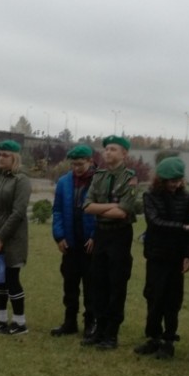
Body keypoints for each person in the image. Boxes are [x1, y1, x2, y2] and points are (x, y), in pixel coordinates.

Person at [135, 157, 189, 359]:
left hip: (176, 257)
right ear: (161, 179)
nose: (175, 184)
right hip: (156, 255)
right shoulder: (150, 196)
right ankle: (153, 337)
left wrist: (188, 255)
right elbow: (154, 222)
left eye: (178, 180)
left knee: (172, 300)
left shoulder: (187, 198)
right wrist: (182, 227)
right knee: (154, 297)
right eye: (171, 181)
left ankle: (169, 340)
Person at [82, 135, 138, 350]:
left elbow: (123, 211)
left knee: (116, 284)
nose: (108, 152)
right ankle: (99, 329)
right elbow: (87, 206)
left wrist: (100, 208)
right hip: (101, 233)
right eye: (106, 149)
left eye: (113, 149)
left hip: (120, 235)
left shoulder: (130, 178)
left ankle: (111, 334)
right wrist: (110, 207)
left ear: (124, 154)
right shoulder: (99, 176)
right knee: (98, 282)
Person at [0, 140, 32, 335]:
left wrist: (1, 237)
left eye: (5, 155)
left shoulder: (21, 180)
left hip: (12, 240)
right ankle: (0, 319)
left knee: (11, 279)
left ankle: (19, 322)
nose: (1, 158)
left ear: (14, 158)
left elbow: (18, 213)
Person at [50, 145, 97, 337]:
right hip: (70, 242)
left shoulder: (98, 181)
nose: (77, 168)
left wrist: (94, 236)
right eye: (74, 164)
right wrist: (59, 236)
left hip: (89, 243)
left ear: (90, 161)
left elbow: (101, 212)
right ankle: (70, 321)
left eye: (80, 164)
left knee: (91, 285)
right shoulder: (63, 182)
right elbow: (57, 210)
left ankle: (90, 322)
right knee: (70, 284)